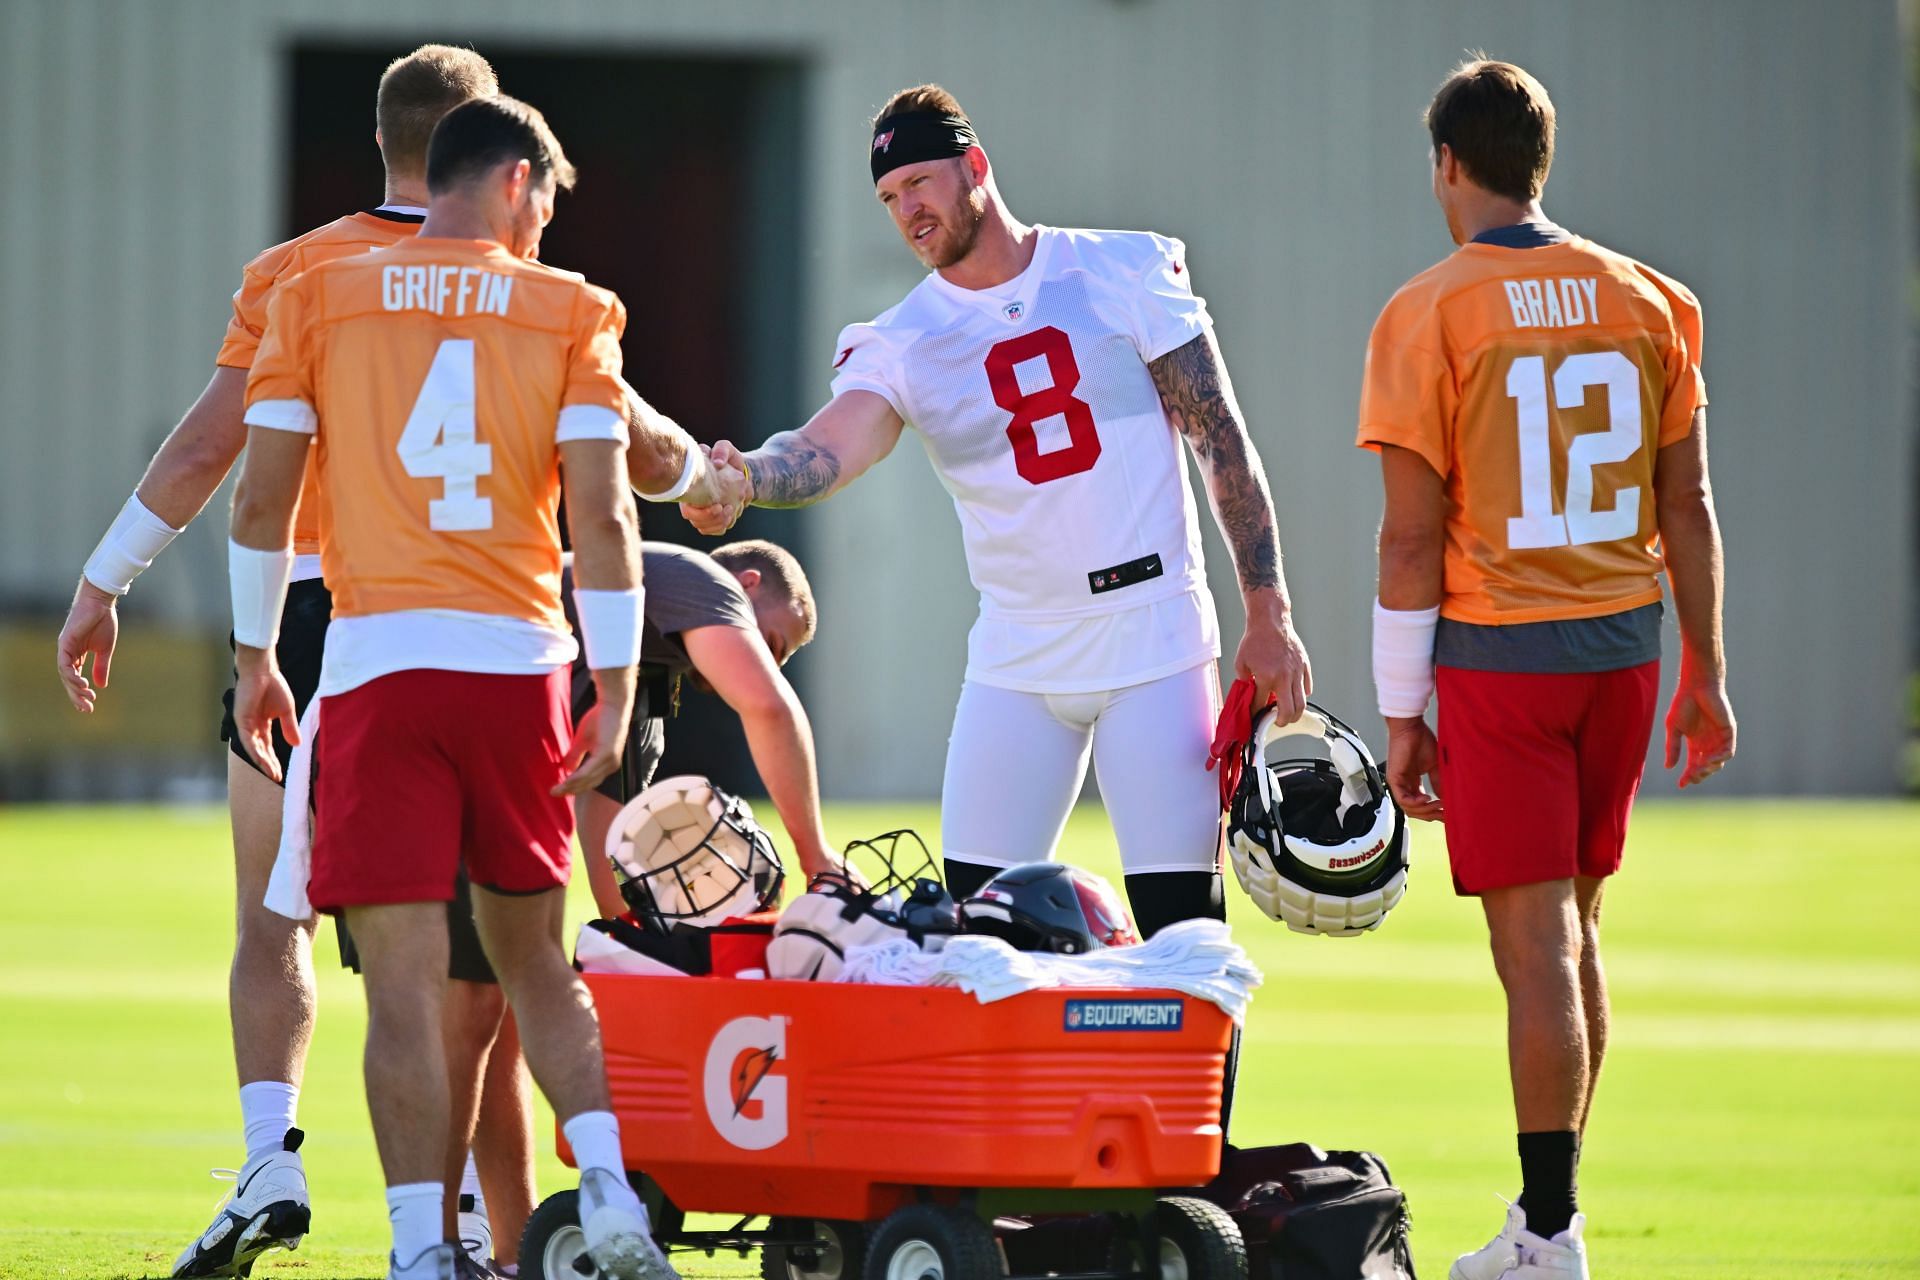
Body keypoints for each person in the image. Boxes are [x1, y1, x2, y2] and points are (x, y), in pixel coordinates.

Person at [684, 84, 1312, 938]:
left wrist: (1268, 609)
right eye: (888, 197)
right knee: (973, 940)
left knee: (1182, 937)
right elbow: (829, 447)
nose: (906, 210)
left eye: (919, 182)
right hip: (1018, 654)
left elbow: (1220, 441)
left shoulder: (1118, 268)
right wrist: (747, 476)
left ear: (975, 166)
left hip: (1154, 638)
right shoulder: (904, 337)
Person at [228, 95, 675, 1280]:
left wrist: (253, 653)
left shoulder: (315, 293)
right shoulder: (571, 307)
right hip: (518, 668)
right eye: (546, 203)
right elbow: (608, 509)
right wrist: (617, 686)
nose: (541, 227)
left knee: (405, 992)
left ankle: (424, 1248)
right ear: (519, 179)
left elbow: (262, 504)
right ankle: (618, 1205)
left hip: (381, 670)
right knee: (540, 964)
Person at [1359, 58, 1735, 1280]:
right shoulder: (1649, 297)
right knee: (1574, 939)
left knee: (1535, 956)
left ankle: (1552, 1233)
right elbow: (1689, 505)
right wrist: (1707, 669)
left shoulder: (1428, 309)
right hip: (1626, 648)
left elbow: (1411, 538)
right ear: (1541, 163)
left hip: (1502, 660)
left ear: (1448, 166)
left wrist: (1399, 712)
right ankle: (1544, 1224)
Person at [567, 539, 840, 915]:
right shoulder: (704, 578)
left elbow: (614, 874)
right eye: (772, 645)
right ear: (746, 584)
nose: (767, 665)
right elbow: (770, 708)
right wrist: (818, 859)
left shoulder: (649, 677)